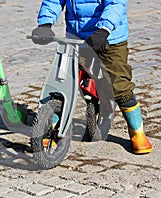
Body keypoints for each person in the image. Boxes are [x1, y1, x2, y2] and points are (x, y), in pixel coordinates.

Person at [31, 0, 152, 154]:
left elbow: (115, 4)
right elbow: (53, 1)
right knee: (64, 82)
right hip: (77, 38)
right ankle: (53, 127)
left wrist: (104, 29)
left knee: (119, 86)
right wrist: (45, 24)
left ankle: (137, 131)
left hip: (109, 38)